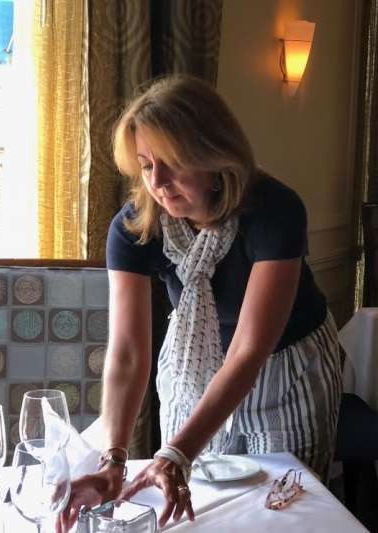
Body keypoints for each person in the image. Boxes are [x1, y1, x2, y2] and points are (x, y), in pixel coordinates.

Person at [59, 74, 342, 531]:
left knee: (285, 509)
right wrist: (114, 457)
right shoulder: (133, 229)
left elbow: (250, 350)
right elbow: (129, 353)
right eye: (146, 165)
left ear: (215, 155)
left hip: (286, 370)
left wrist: (176, 450)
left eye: (172, 162)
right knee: (202, 508)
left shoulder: (275, 210)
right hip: (193, 367)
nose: (158, 182)